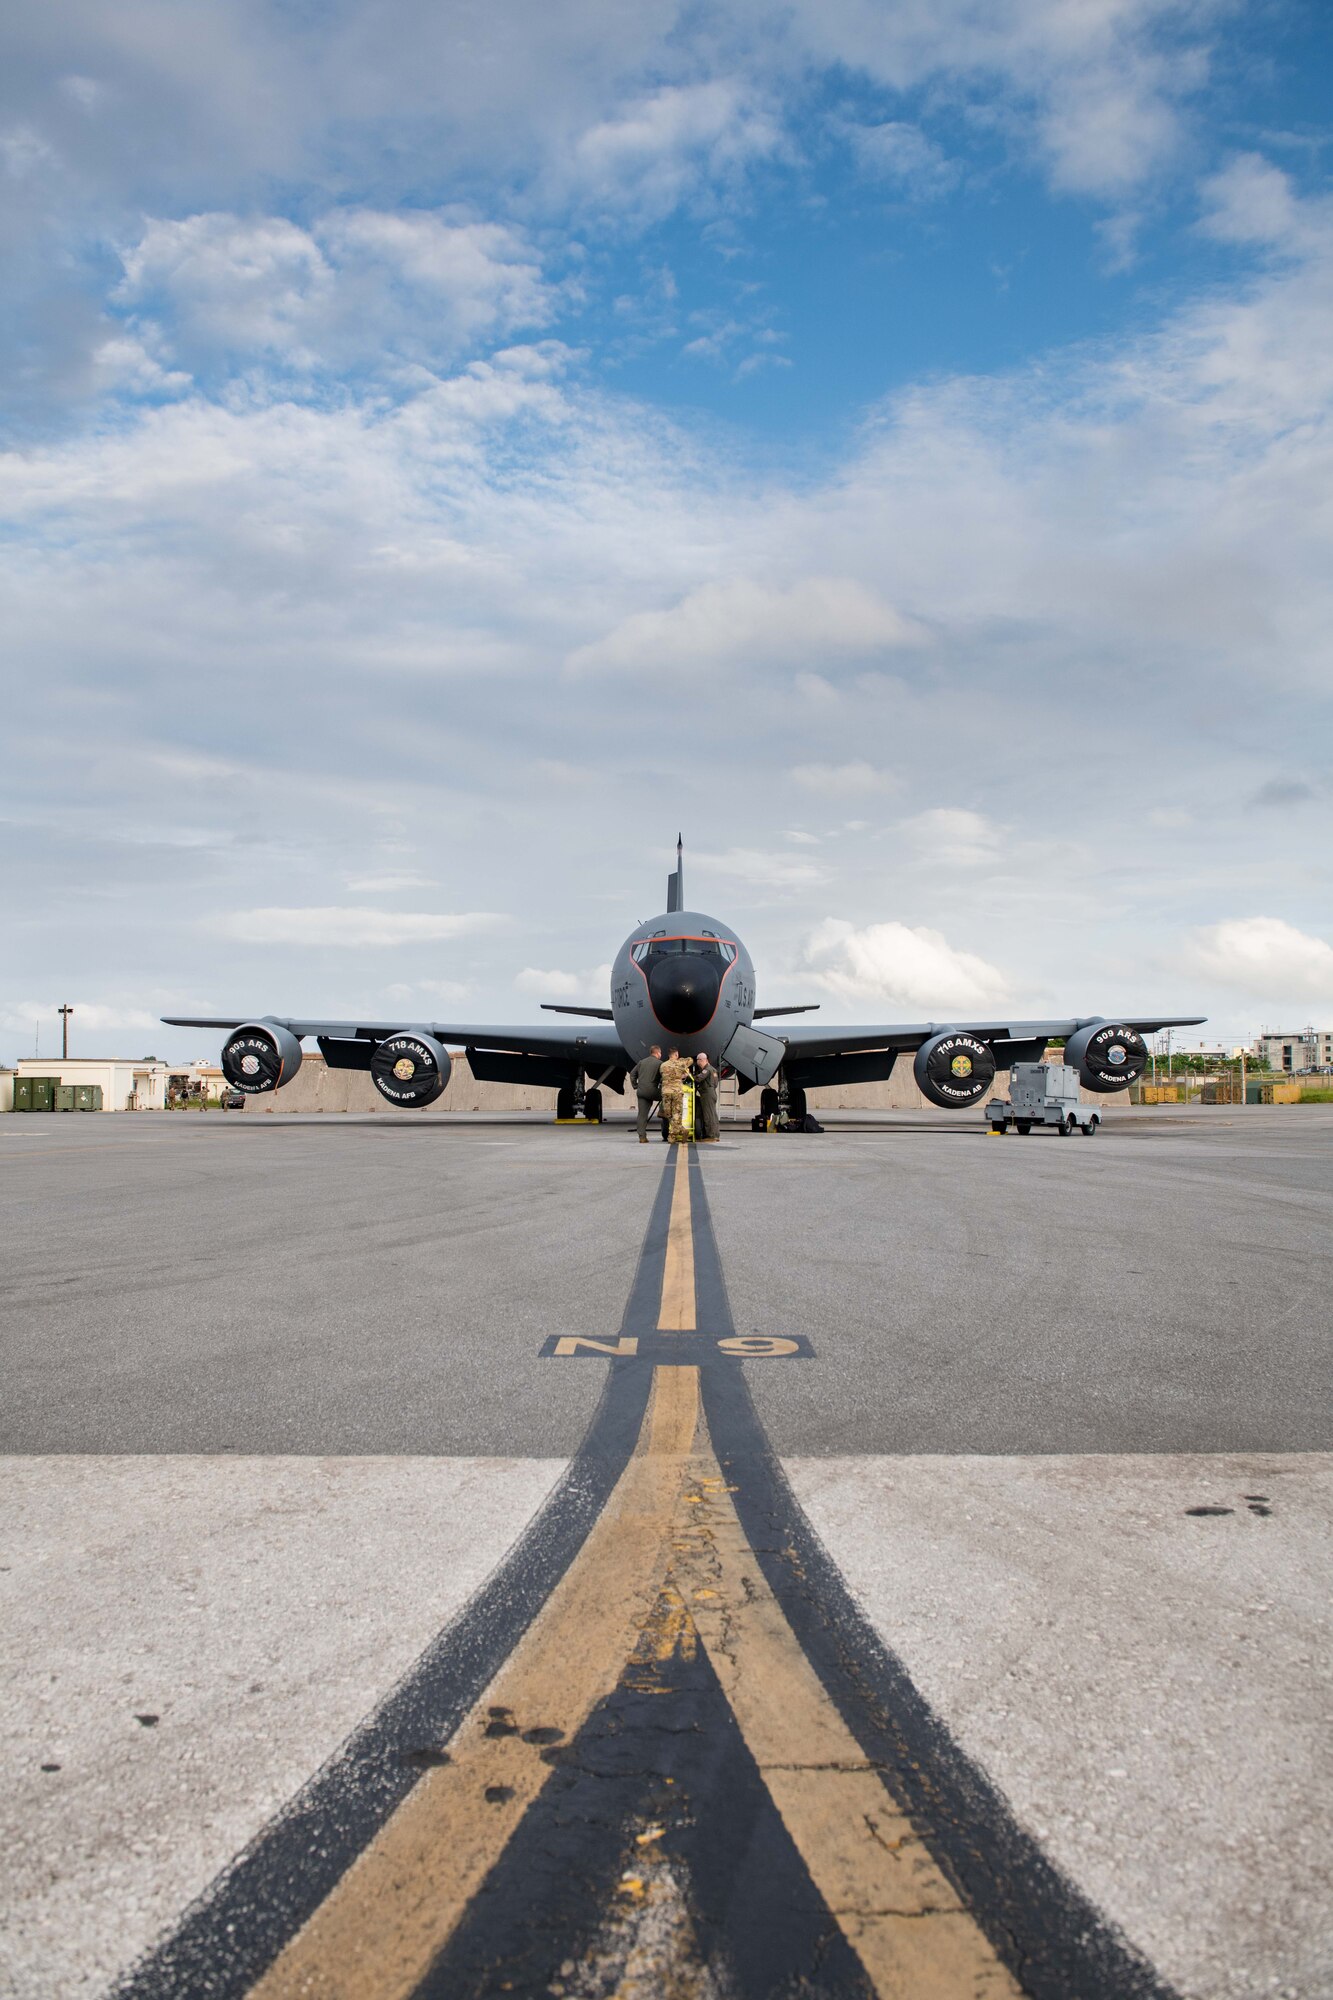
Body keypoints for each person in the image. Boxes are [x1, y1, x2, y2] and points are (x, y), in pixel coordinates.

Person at [630, 1045, 662, 1144]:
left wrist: (636, 1085)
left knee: (642, 1115)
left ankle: (642, 1137)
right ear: (657, 1053)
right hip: (653, 1091)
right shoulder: (660, 1063)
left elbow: (632, 1074)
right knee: (668, 1095)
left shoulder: (641, 1062)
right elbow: (665, 1077)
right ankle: (662, 1110)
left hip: (641, 1091)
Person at [659, 1047, 689, 1144]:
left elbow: (664, 1076)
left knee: (668, 1114)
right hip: (677, 1092)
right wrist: (684, 1075)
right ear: (676, 1055)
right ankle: (680, 1130)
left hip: (666, 1092)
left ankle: (673, 1136)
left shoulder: (663, 1065)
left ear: (669, 1055)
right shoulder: (680, 1064)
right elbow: (690, 1061)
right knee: (677, 1113)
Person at [693, 1052, 720, 1141]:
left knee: (708, 1115)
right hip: (710, 1092)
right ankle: (715, 1134)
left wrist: (689, 1076)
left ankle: (710, 1136)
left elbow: (698, 1078)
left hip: (707, 1094)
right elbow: (715, 1083)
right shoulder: (712, 1069)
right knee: (712, 1114)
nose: (697, 1062)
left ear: (702, 1060)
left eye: (698, 1060)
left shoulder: (707, 1070)